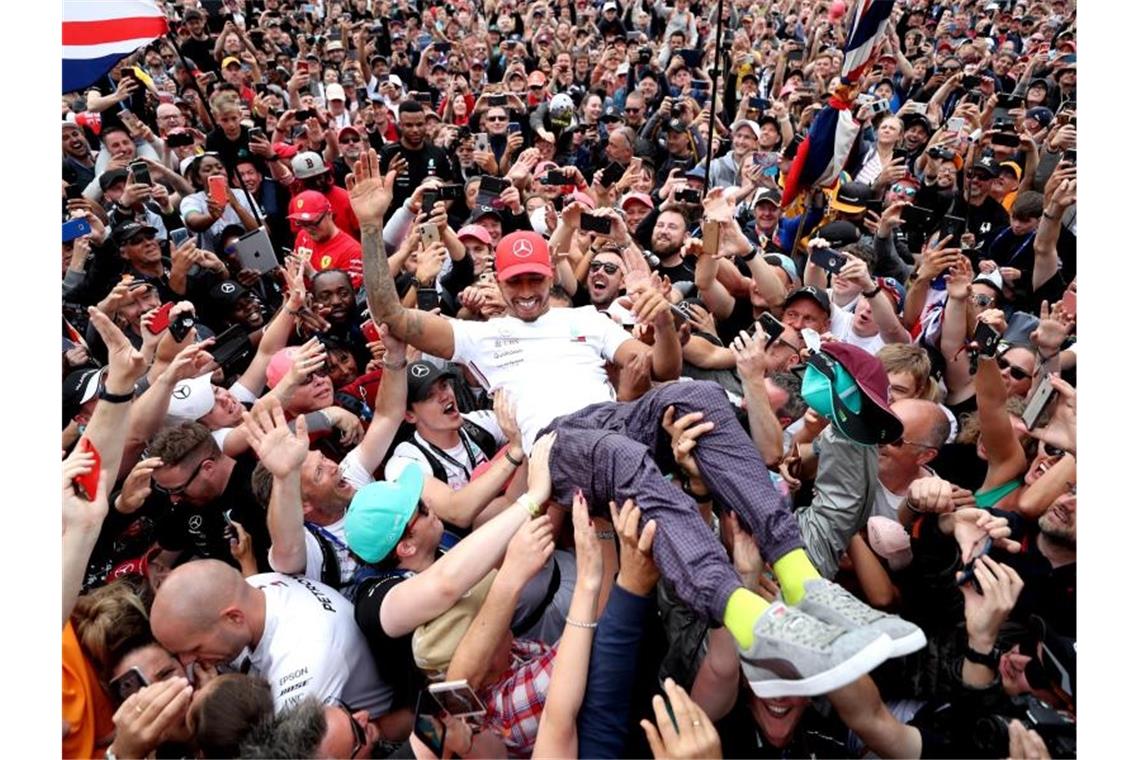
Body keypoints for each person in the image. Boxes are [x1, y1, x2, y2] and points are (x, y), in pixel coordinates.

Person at [352, 148, 924, 699]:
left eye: (534, 278)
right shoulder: (481, 333)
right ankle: (749, 618)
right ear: (500, 284)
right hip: (560, 442)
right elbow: (392, 316)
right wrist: (374, 229)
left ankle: (804, 580)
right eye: (515, 281)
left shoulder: (585, 319)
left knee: (700, 394)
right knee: (620, 456)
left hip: (616, 416)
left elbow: (655, 368)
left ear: (549, 274)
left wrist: (664, 326)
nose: (525, 291)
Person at [150, 559, 400, 725]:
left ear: (234, 617)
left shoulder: (306, 655)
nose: (188, 663)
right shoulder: (253, 590)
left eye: (194, 649)